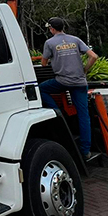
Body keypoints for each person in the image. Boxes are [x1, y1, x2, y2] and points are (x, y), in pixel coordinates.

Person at [39, 17, 98, 158]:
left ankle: (58, 112)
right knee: (84, 116)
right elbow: (94, 56)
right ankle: (85, 151)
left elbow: (43, 64)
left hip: (62, 82)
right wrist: (85, 70)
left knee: (41, 89)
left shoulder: (50, 43)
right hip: (80, 82)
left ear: (52, 29)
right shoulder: (75, 40)